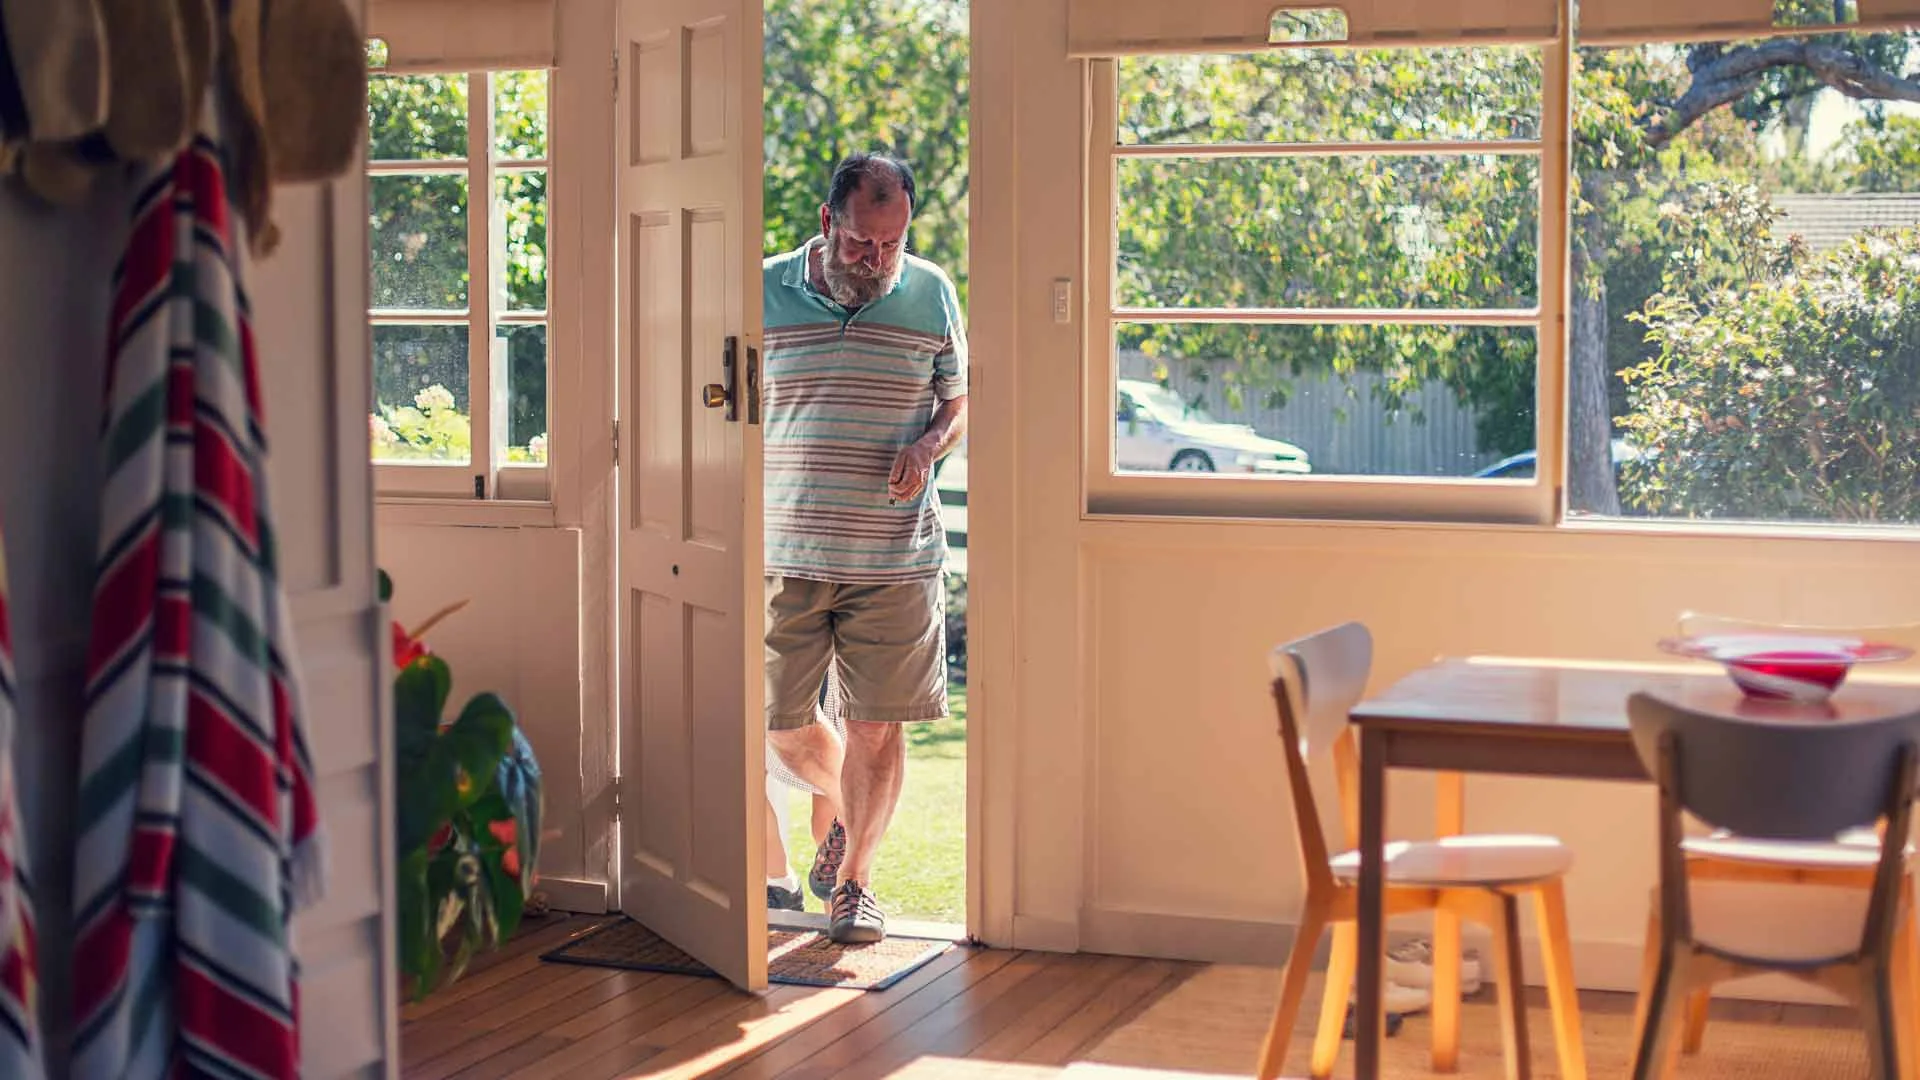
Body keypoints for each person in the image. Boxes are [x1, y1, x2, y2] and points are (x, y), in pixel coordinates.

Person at [761, 151, 968, 943]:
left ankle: (854, 887)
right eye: (861, 243)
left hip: (895, 557)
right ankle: (852, 811)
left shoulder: (929, 291)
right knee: (779, 721)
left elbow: (956, 400)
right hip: (787, 551)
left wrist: (929, 447)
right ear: (827, 223)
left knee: (880, 725)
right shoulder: (765, 288)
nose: (878, 260)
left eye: (892, 243)